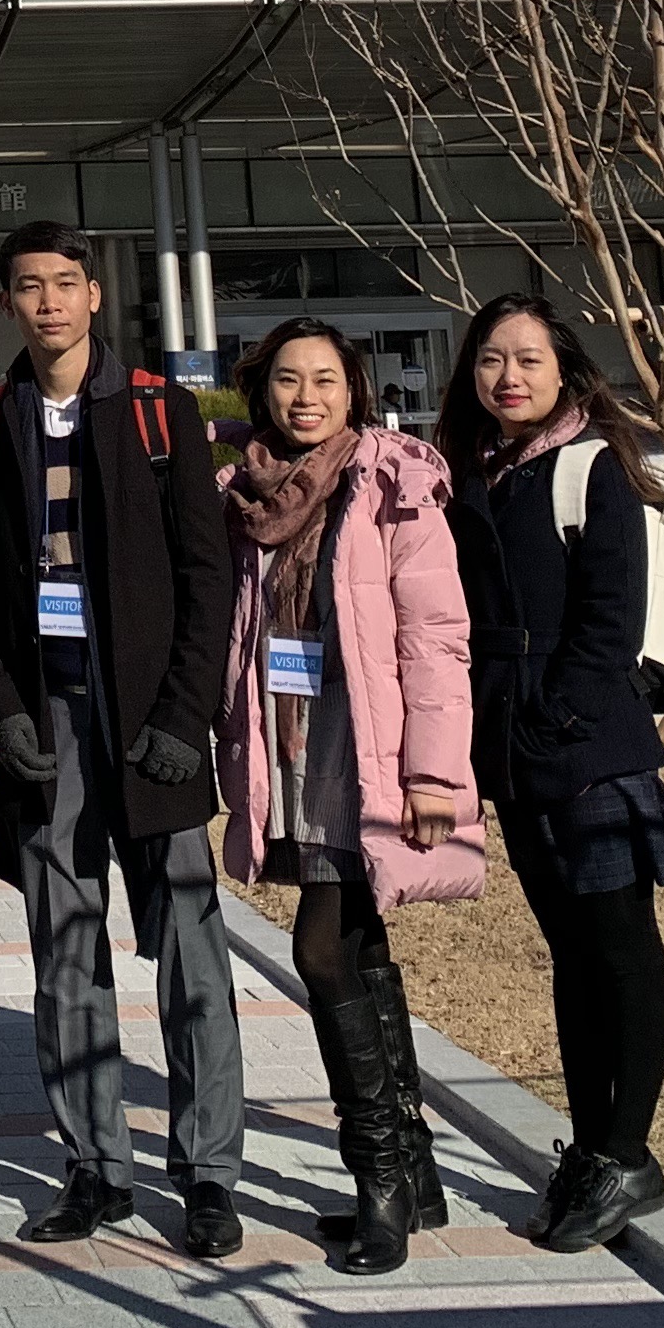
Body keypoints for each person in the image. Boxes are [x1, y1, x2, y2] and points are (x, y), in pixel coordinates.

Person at [0, 223, 242, 1255]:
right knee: (63, 956)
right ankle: (95, 1169)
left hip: (149, 725)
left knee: (190, 952)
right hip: (53, 726)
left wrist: (183, 716)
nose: (48, 304)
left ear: (94, 296)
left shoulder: (164, 413)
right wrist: (6, 710)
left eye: (65, 285)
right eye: (27, 288)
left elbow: (210, 582)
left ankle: (209, 1173)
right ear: (7, 304)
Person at [219, 319, 481, 1275]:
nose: (305, 397)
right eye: (287, 381)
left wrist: (434, 771)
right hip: (289, 741)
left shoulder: (392, 480)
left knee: (320, 951)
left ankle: (377, 1179)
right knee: (362, 950)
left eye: (325, 380)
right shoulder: (243, 490)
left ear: (355, 389)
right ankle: (416, 1179)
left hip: (366, 749)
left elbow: (436, 633)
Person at [440, 294, 664, 1256]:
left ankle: (628, 1156)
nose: (510, 378)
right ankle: (590, 1145)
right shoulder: (477, 470)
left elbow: (611, 620)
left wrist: (559, 723)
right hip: (514, 752)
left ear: (567, 372)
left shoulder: (594, 467)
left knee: (621, 949)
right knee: (572, 958)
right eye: (493, 361)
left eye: (530, 361)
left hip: (591, 754)